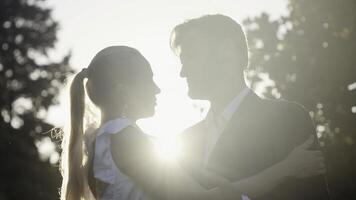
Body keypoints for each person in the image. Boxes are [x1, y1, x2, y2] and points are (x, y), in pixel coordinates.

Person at [60, 46, 325, 200]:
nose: (157, 89)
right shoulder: (127, 139)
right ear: (123, 90)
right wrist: (284, 170)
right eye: (148, 80)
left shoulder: (99, 143)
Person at [171, 14, 330, 199]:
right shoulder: (185, 142)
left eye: (190, 56)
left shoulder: (286, 118)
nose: (183, 72)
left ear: (227, 52)